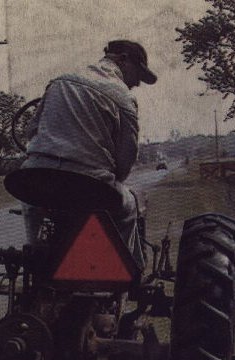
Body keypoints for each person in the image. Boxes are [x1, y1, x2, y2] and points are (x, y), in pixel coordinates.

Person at [20, 39, 157, 269]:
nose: (137, 84)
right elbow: (126, 158)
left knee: (32, 205)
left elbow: (31, 130)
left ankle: (36, 261)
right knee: (129, 206)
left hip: (39, 178)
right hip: (88, 184)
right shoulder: (123, 97)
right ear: (122, 60)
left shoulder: (60, 81)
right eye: (138, 74)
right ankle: (126, 273)